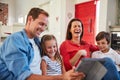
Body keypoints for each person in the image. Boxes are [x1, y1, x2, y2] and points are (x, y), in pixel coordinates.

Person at [0, 8, 85, 80]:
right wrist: (62, 77)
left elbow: (52, 58)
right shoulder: (15, 40)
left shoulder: (37, 41)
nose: (43, 29)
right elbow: (24, 76)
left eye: (45, 26)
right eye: (41, 24)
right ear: (30, 19)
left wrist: (71, 74)